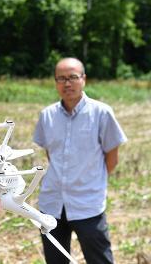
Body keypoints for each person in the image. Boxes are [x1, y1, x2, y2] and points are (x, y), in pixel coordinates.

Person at [33, 57, 127, 264]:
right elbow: (51, 153)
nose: (67, 83)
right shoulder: (47, 115)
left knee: (99, 259)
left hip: (88, 203)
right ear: (55, 82)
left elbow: (112, 157)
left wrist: (92, 180)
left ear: (84, 79)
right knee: (55, 261)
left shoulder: (101, 113)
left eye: (73, 77)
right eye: (61, 78)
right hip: (52, 204)